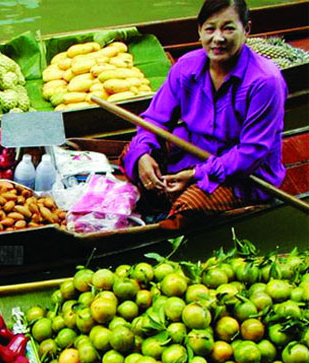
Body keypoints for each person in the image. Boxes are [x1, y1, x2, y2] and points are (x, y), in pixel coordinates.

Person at [121, 0, 287, 227]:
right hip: (193, 151)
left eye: (228, 28)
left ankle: (164, 211)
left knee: (188, 206)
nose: (218, 38)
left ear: (246, 30)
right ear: (199, 31)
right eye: (210, 29)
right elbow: (154, 120)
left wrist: (197, 175)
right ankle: (158, 199)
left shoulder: (265, 81)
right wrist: (143, 154)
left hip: (243, 173)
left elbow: (251, 153)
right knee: (134, 151)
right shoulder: (186, 66)